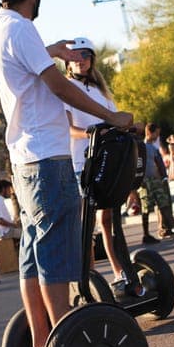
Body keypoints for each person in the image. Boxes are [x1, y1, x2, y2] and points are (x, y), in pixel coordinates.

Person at [0, 0, 133, 347]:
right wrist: (111, 116)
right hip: (48, 158)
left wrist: (51, 50)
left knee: (33, 253)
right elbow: (58, 86)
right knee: (53, 252)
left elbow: (29, 66)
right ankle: (63, 344)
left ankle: (40, 344)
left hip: (25, 160)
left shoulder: (0, 28)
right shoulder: (21, 28)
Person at [63, 36, 133, 278]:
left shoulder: (101, 91)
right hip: (83, 162)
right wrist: (90, 133)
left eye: (85, 55)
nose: (80, 60)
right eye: (75, 56)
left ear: (92, 59)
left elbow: (115, 121)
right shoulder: (66, 88)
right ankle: (90, 277)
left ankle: (119, 271)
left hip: (107, 159)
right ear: (67, 62)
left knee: (109, 218)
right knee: (87, 223)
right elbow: (67, 129)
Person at [140, 123, 174, 245]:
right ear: (150, 132)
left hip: (156, 180)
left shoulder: (153, 148)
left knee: (164, 204)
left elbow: (159, 163)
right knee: (146, 208)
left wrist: (163, 177)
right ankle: (146, 234)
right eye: (156, 133)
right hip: (145, 181)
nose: (157, 136)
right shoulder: (141, 147)